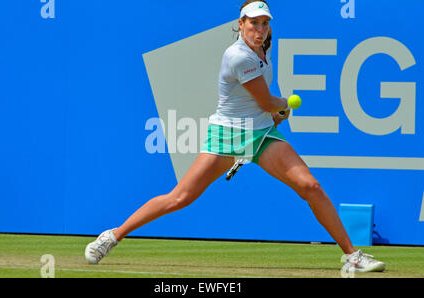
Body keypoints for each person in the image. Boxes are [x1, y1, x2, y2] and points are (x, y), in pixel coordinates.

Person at [85, 0, 385, 273]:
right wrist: (282, 106)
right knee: (180, 197)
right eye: (253, 23)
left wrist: (275, 116)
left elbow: (262, 108)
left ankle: (352, 256)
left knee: (311, 186)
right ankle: (112, 236)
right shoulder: (239, 56)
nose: (260, 29)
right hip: (226, 135)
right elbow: (268, 102)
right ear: (240, 24)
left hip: (261, 134)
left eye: (265, 23)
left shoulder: (262, 50)